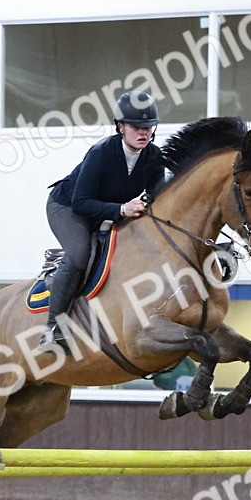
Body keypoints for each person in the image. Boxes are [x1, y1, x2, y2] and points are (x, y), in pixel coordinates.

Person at [37, 90, 165, 351]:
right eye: (136, 127)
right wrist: (121, 210)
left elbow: (157, 198)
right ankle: (52, 329)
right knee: (80, 255)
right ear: (120, 127)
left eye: (149, 127)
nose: (144, 133)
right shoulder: (101, 153)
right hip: (67, 208)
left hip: (105, 210)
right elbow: (81, 203)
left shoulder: (153, 156)